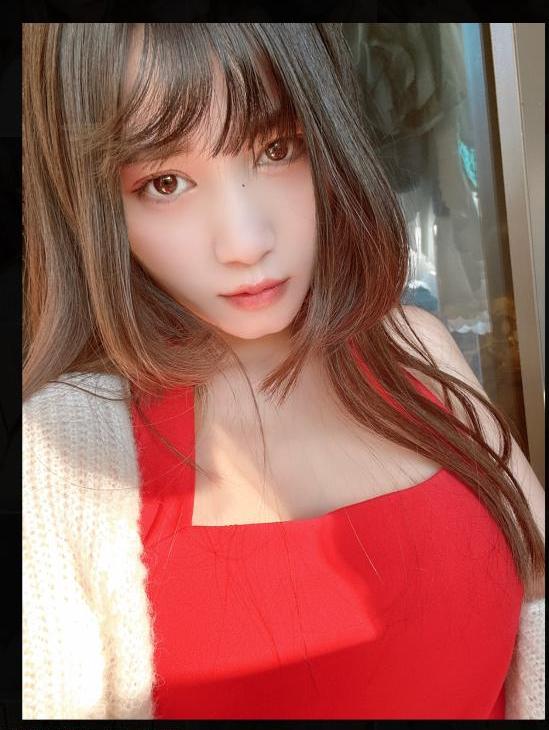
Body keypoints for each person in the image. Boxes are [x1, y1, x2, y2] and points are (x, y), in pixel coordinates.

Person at [22, 23, 545, 720]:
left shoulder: (415, 346)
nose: (245, 242)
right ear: (93, 206)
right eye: (165, 182)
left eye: (276, 148)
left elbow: (538, 602)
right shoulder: (59, 451)